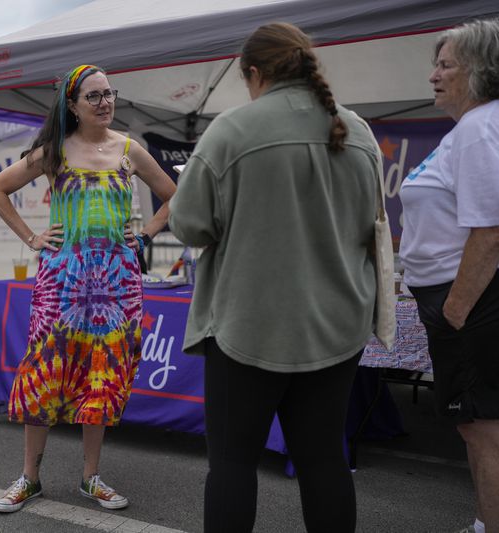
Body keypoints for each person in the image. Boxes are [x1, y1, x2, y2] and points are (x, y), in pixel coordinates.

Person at [168, 23, 381, 532]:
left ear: (255, 73)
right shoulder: (360, 132)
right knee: (325, 459)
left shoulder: (232, 130)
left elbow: (190, 223)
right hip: (337, 324)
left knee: (233, 463)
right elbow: (369, 220)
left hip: (249, 325)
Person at [0, 64, 176, 513]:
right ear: (72, 105)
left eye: (109, 94)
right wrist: (32, 237)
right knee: (43, 372)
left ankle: (91, 477)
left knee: (102, 374)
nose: (105, 102)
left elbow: (173, 194)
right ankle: (29, 478)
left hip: (116, 284)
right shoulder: (54, 152)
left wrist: (145, 235)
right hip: (61, 285)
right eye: (94, 96)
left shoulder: (130, 149)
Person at [399, 18, 499, 533]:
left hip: (471, 302)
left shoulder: (481, 127)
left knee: (484, 430)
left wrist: (454, 310)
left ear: (479, 70)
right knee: (476, 427)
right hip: (462, 299)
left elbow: (490, 231)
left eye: (445, 65)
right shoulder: (471, 128)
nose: (434, 75)